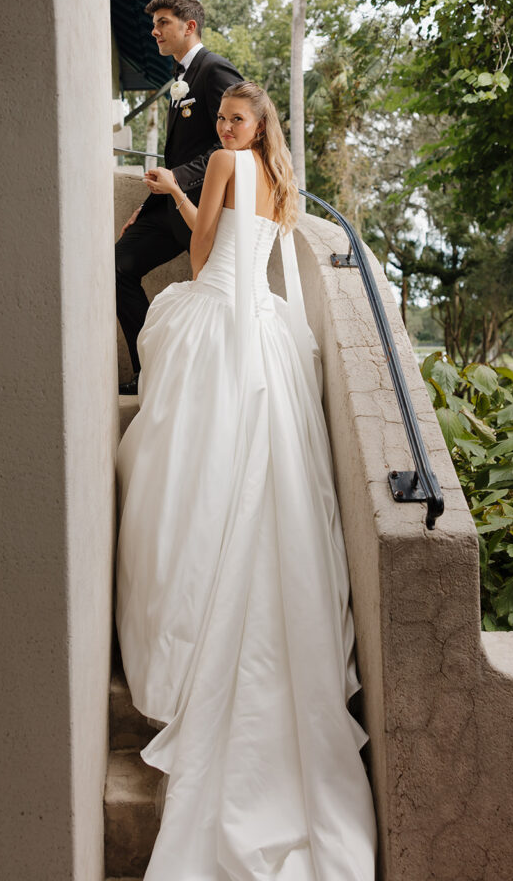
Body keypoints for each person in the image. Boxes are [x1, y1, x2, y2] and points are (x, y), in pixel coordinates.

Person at [116, 81, 378, 879]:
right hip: (262, 319)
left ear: (253, 126)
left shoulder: (226, 163)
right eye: (225, 118)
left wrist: (172, 191)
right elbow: (259, 254)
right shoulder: (280, 177)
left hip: (220, 309)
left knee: (176, 453)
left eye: (236, 119)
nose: (227, 127)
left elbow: (201, 253)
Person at [116, 0, 243, 395]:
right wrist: (148, 203)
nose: (154, 31)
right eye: (154, 24)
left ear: (190, 27)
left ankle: (204, 389)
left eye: (163, 23)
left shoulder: (215, 69)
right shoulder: (181, 77)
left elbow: (233, 143)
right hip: (165, 208)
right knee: (116, 268)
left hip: (203, 210)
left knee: (208, 304)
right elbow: (182, 150)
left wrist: (178, 179)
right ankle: (148, 372)